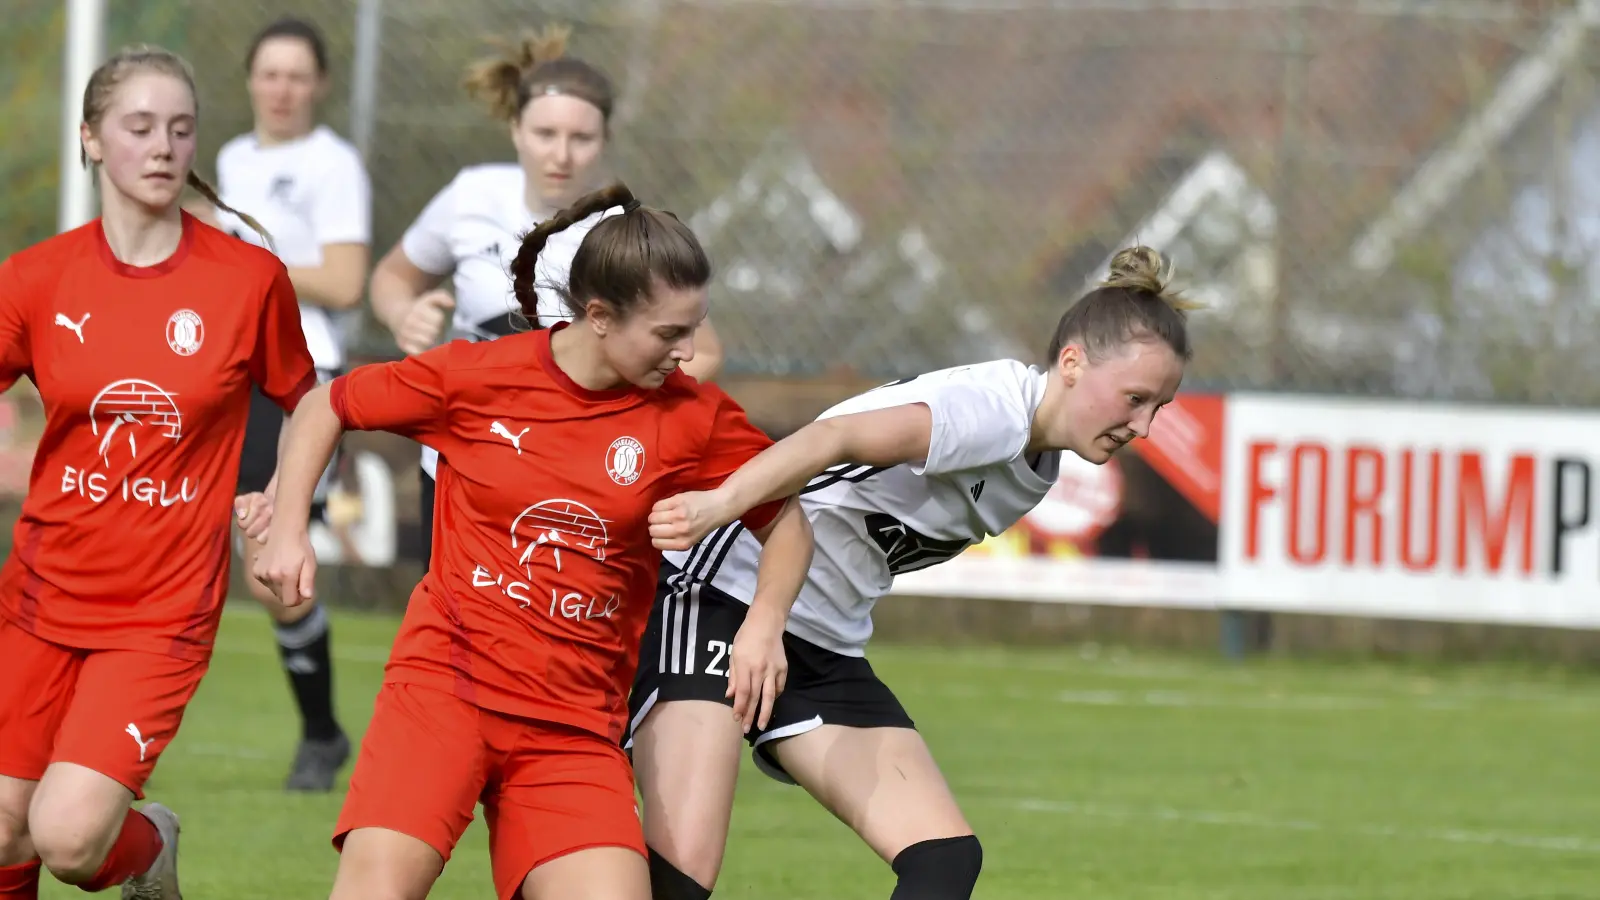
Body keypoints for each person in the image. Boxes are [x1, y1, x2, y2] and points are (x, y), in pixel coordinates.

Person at [253, 182, 812, 900]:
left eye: (695, 327)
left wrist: (765, 624)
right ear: (601, 316)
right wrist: (290, 528)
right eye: (670, 333)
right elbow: (327, 402)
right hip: (445, 691)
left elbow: (786, 518)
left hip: (573, 728)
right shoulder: (478, 376)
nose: (691, 352)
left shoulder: (693, 418)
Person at [629, 246, 1199, 900]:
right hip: (724, 597)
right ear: (1071, 363)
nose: (1146, 425)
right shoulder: (993, 413)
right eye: (1136, 398)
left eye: (1160, 407)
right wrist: (721, 505)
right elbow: (829, 441)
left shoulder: (1039, 463)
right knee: (679, 881)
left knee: (944, 858)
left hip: (820, 641)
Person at [0, 44, 315, 900]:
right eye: (138, 127)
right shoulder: (35, 278)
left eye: (180, 129)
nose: (163, 146)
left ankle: (150, 852)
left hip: (158, 612)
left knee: (64, 838)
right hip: (37, 594)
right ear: (92, 139)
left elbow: (312, 404)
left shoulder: (247, 279)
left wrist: (285, 510)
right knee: (0, 826)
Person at [365, 26, 725, 571]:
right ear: (515, 128)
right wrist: (403, 314)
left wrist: (606, 407)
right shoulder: (471, 195)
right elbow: (391, 278)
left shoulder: (623, 231)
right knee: (449, 628)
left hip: (565, 473)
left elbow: (704, 352)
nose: (561, 154)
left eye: (581, 138)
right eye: (544, 133)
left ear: (604, 140)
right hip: (457, 456)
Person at [212, 14, 371, 794]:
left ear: (320, 85)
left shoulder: (333, 164)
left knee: (270, 563)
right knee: (214, 552)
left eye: (297, 75)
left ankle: (321, 733)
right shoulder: (231, 159)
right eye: (269, 74)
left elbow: (344, 282)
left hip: (302, 381)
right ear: (249, 80)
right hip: (224, 374)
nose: (281, 89)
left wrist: (251, 264)